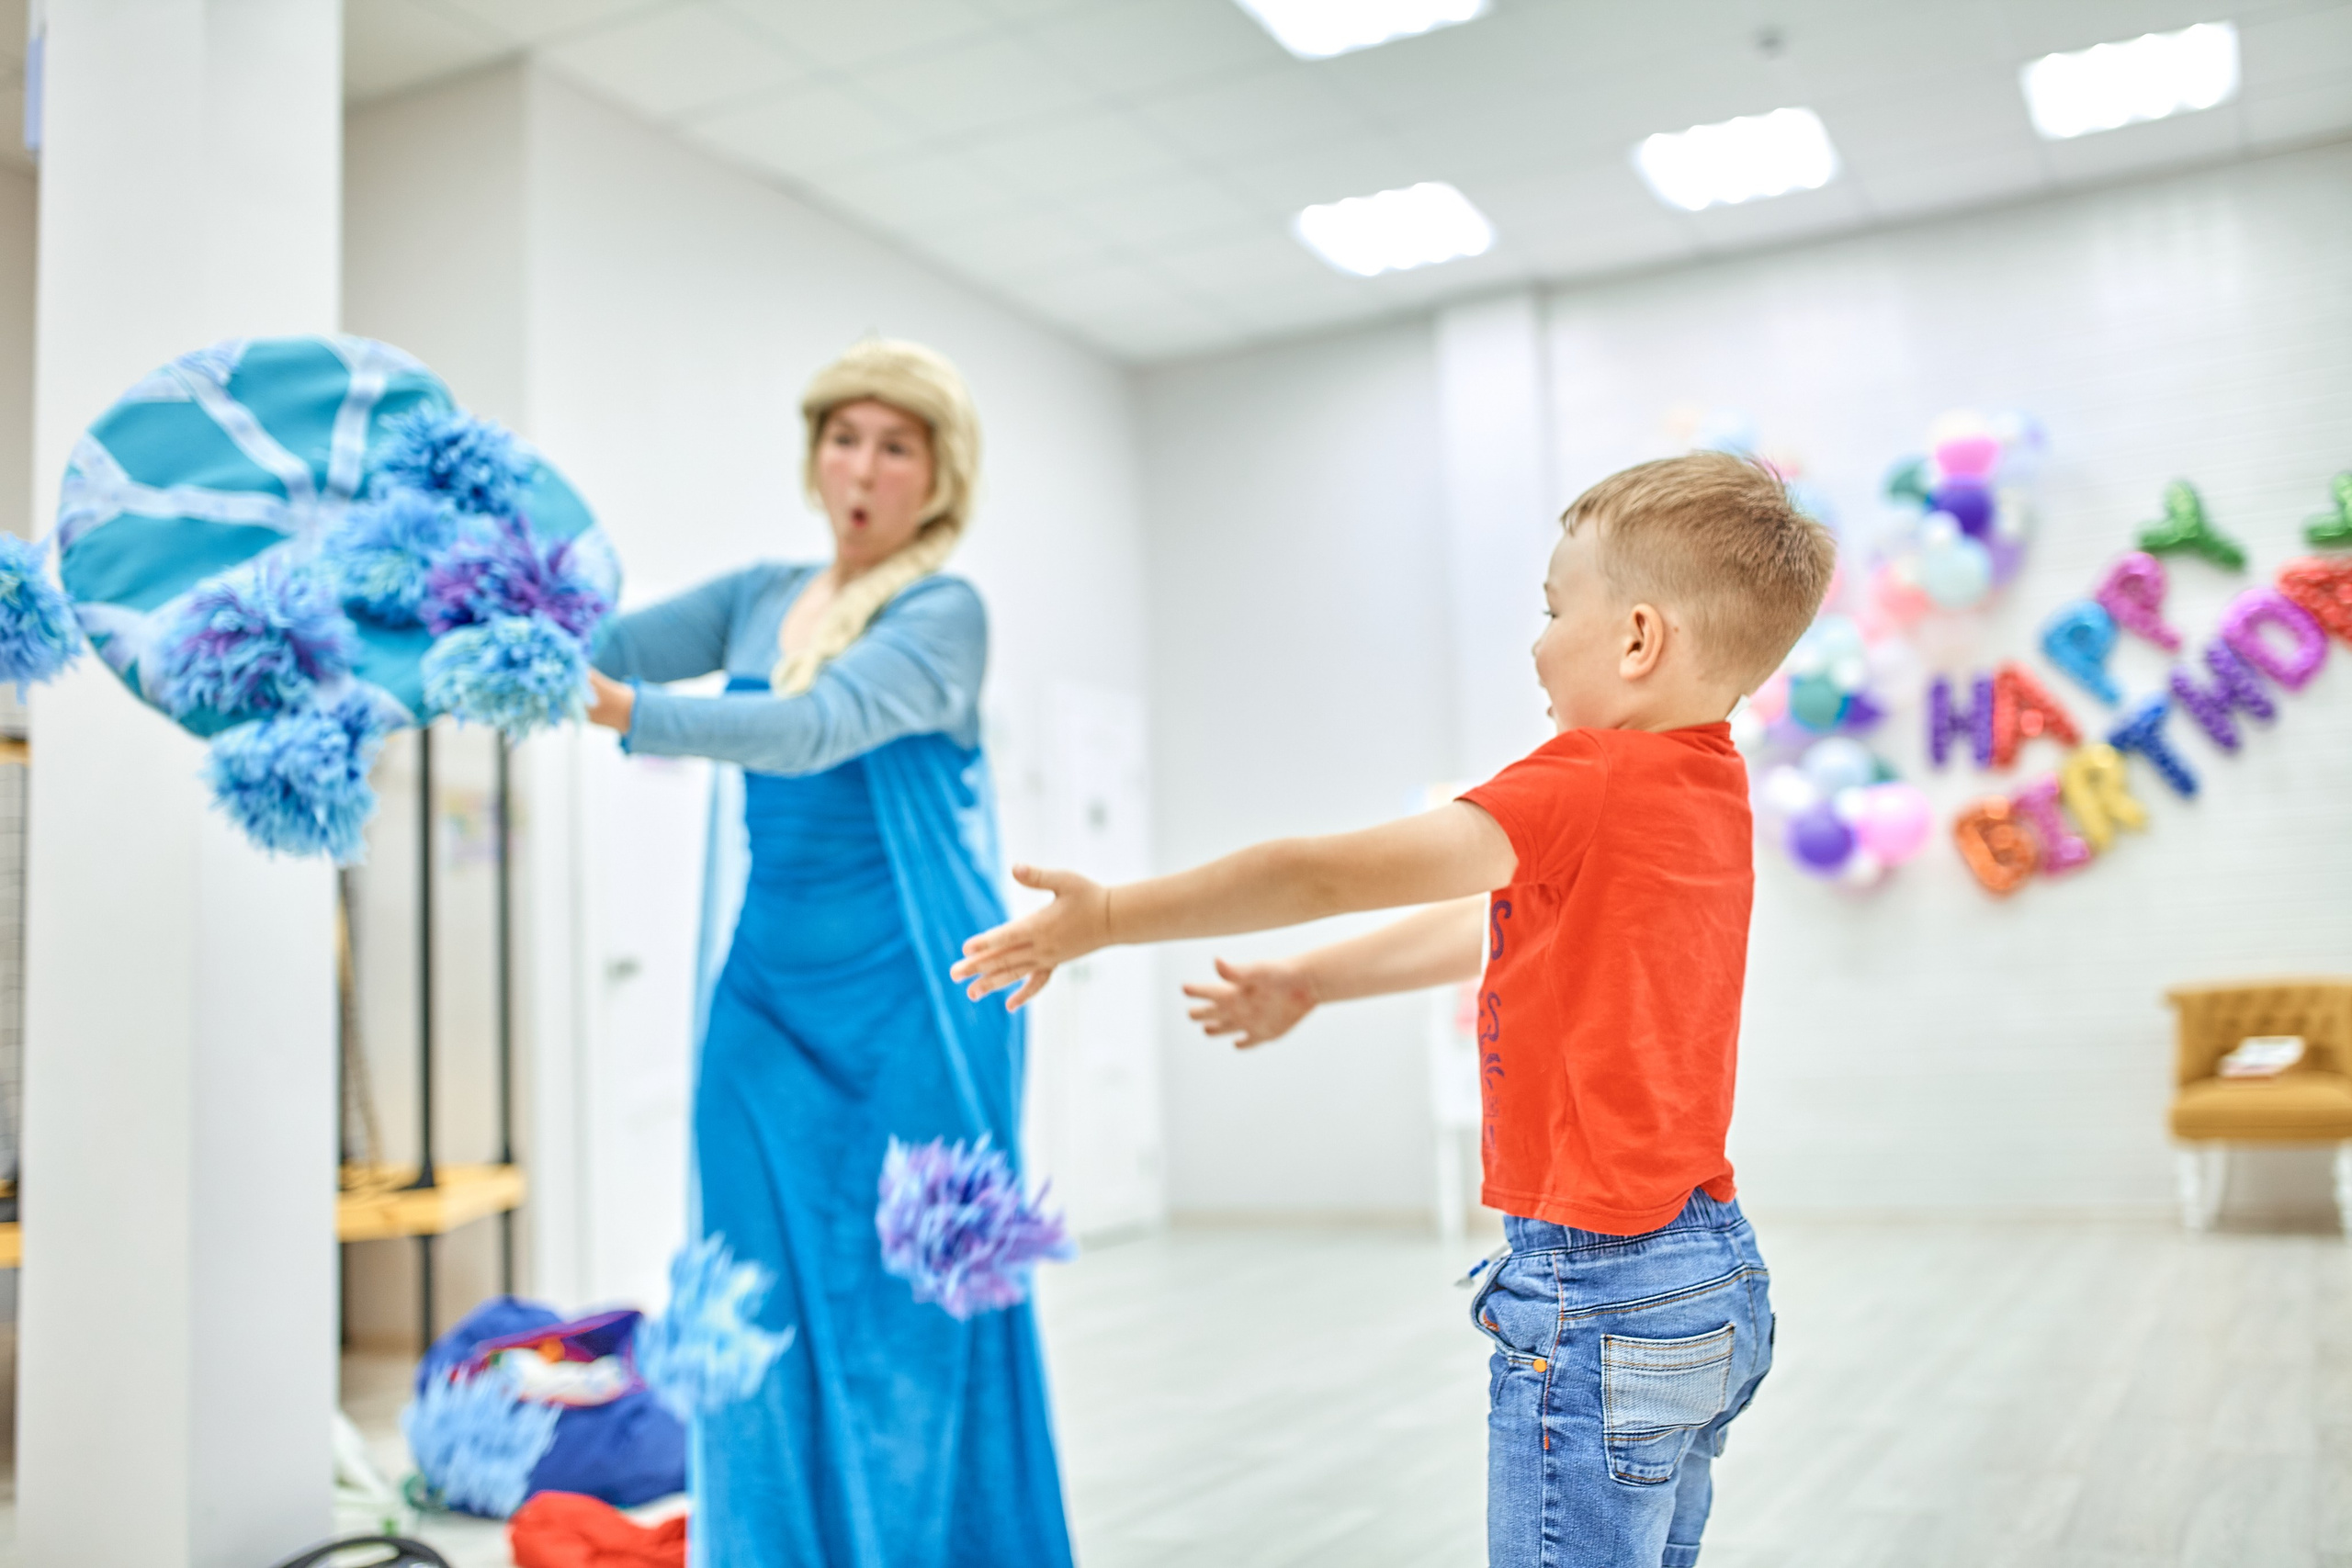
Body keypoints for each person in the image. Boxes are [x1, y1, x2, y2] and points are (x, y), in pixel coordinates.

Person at [952, 451, 1834, 1568]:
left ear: (1637, 640)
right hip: (1708, 1282)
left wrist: (1114, 914)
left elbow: (1322, 870)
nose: (1535, 640)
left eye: (1555, 608)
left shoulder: (1591, 776)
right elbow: (1489, 923)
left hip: (1598, 1292)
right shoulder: (1706, 789)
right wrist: (1315, 981)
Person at [586, 339, 1072, 1568]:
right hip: (767, 998)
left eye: (895, 443)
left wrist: (633, 714)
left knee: (908, 1309)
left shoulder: (942, 611)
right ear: (814, 457)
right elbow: (602, 639)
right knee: (753, 1296)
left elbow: (817, 725)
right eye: (843, 436)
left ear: (937, 476)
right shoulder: (759, 590)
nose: (862, 464)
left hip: (913, 1000)